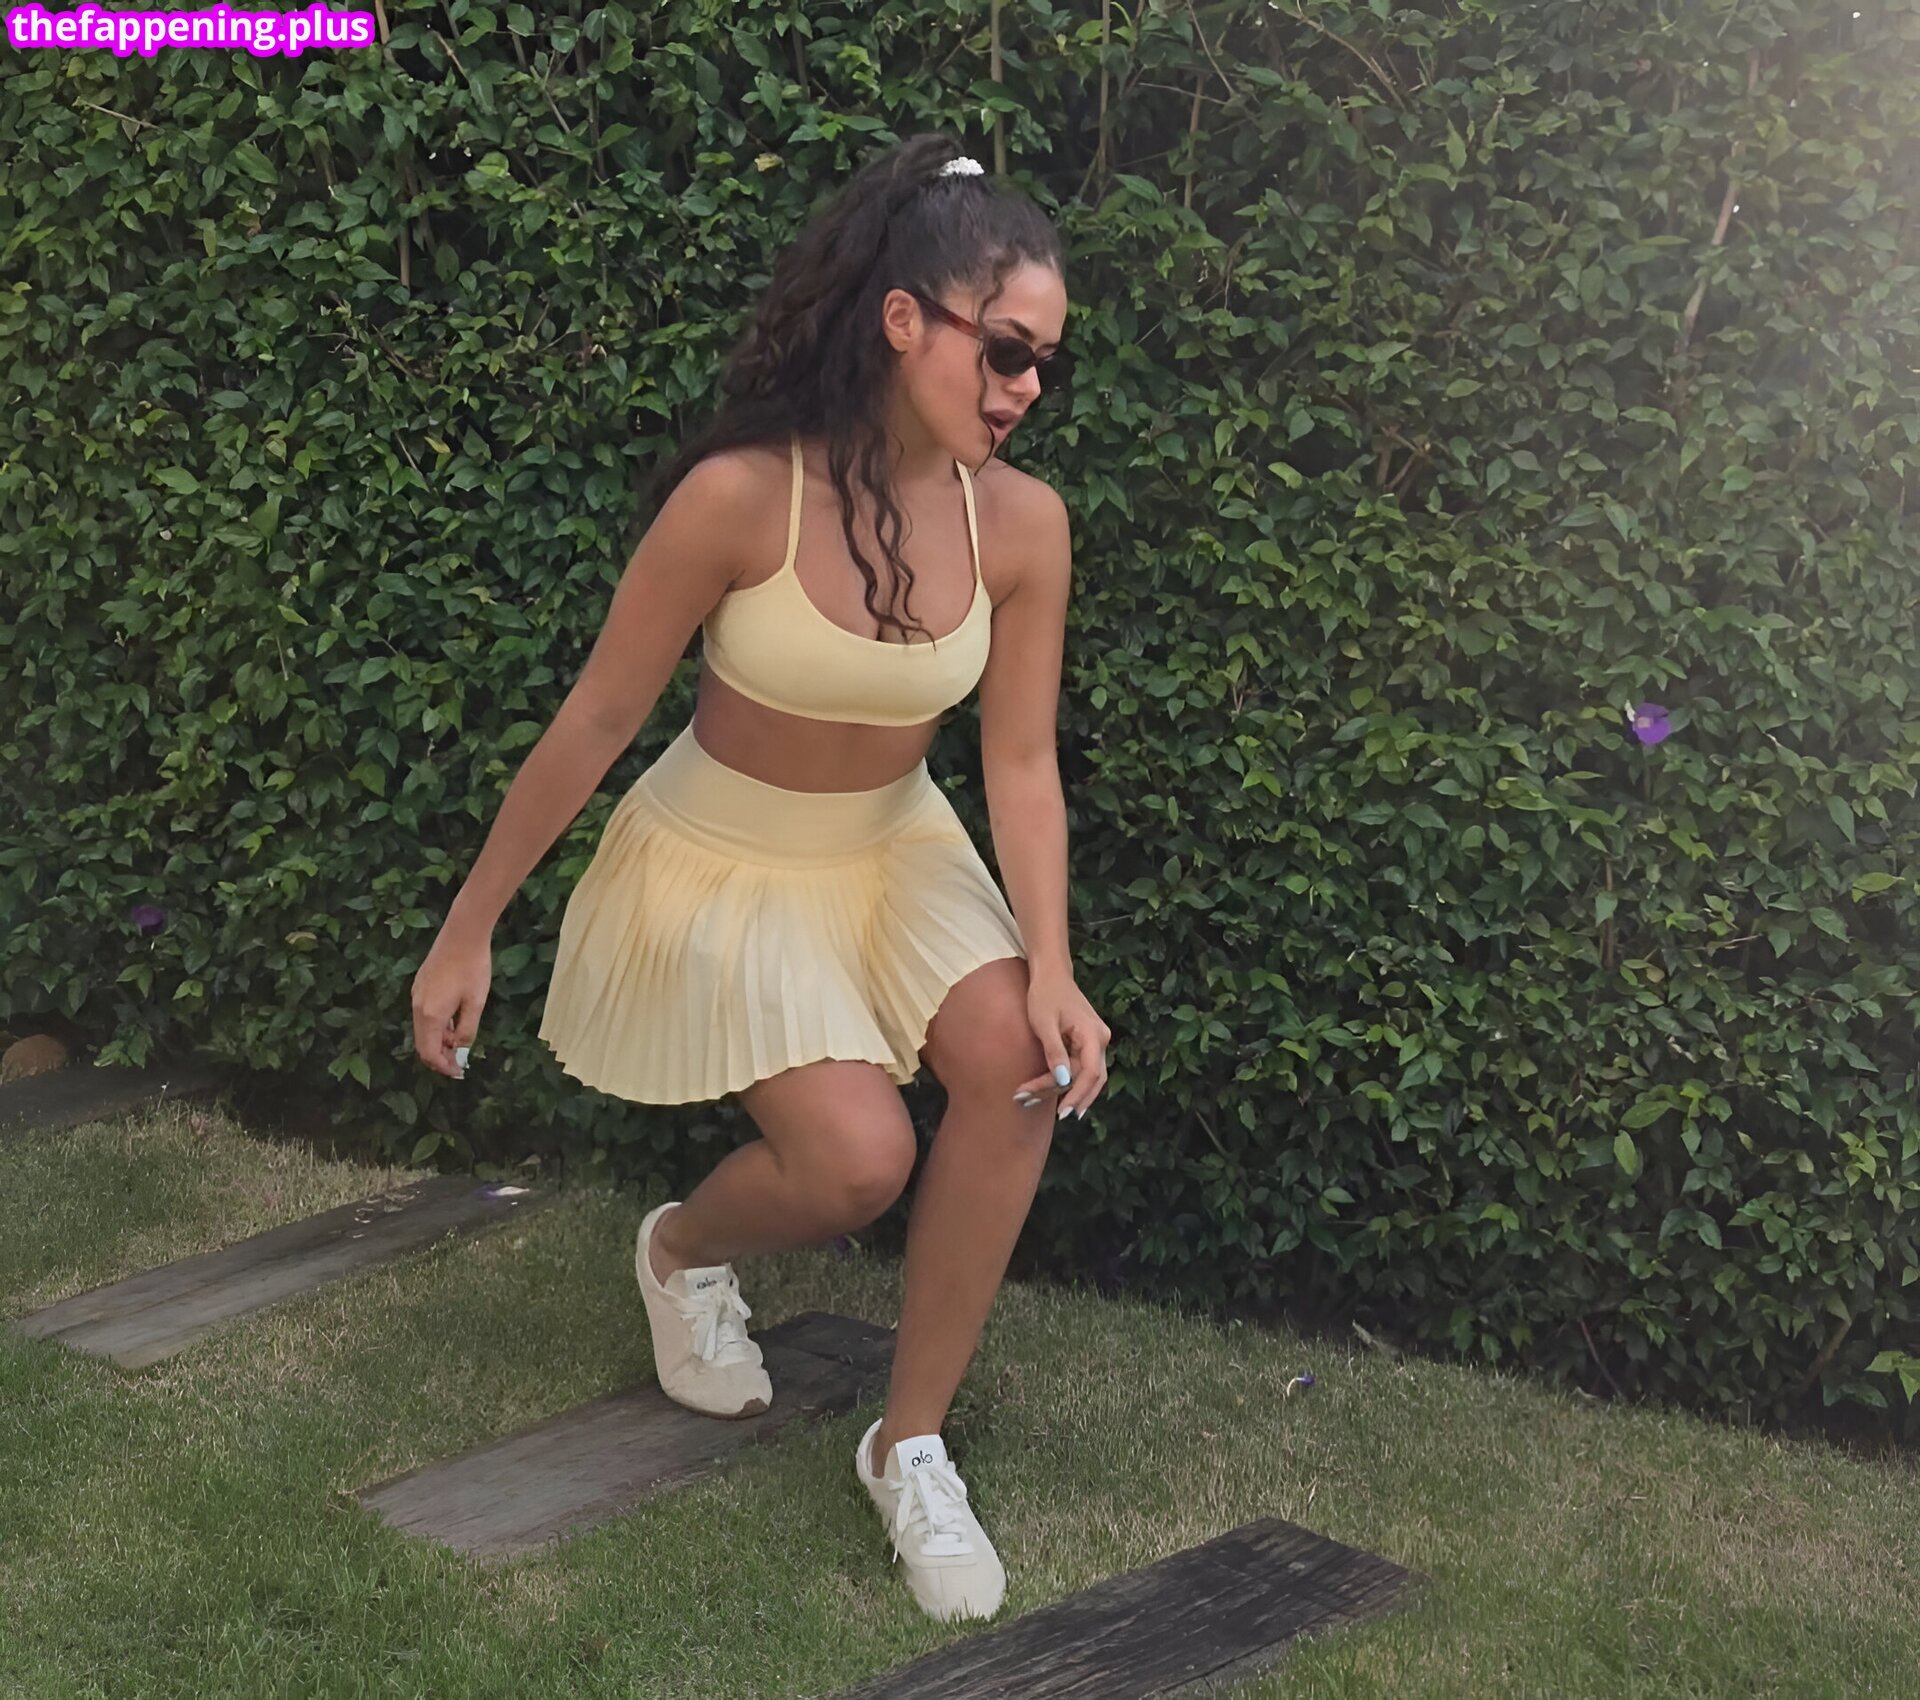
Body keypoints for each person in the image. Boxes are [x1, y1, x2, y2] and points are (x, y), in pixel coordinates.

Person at [410, 133, 1111, 1623]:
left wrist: (1051, 966)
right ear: (904, 318)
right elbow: (597, 718)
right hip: (727, 852)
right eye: (1004, 351)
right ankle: (680, 1251)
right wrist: (469, 927)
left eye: (1044, 364)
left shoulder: (1023, 526)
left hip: (896, 849)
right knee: (858, 1164)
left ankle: (908, 1443)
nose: (1025, 390)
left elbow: (1021, 763)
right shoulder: (740, 499)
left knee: (1020, 1067)